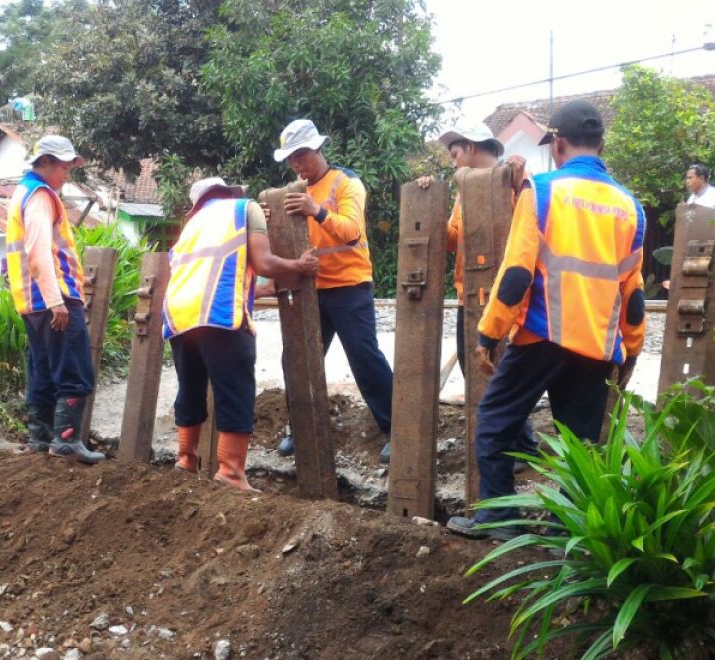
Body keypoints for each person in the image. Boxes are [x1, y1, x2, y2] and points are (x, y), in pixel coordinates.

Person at [447, 99, 647, 539]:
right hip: (596, 344)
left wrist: (489, 332)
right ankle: (567, 534)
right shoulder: (631, 207)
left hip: (543, 334)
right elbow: (633, 294)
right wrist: (631, 347)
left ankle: (500, 521)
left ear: (558, 144)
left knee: (495, 422)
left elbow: (517, 272)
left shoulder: (543, 191)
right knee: (578, 445)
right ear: (601, 144)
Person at [164, 177, 318, 491]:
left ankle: (185, 461)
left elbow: (224, 272)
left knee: (190, 388)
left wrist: (263, 289)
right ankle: (231, 473)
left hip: (180, 316)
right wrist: (298, 266)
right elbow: (263, 262)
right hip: (219, 315)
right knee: (235, 389)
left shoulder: (191, 225)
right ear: (228, 193)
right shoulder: (244, 209)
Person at [272, 119, 394, 463]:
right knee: (297, 359)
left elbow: (352, 231)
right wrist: (269, 216)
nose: (297, 164)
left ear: (317, 149)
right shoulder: (293, 191)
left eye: (301, 156)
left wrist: (318, 210)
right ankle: (301, 427)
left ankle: (396, 428)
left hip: (349, 285)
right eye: (291, 159)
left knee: (364, 357)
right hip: (310, 287)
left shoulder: (346, 183)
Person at [417, 125, 539, 461]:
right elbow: (452, 240)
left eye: (455, 155)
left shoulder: (516, 178)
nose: (454, 163)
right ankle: (520, 442)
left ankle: (520, 446)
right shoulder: (461, 191)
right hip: (468, 294)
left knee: (503, 370)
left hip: (507, 297)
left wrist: (516, 180)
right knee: (478, 368)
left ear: (470, 147)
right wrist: (428, 204)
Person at [5, 134, 104, 463]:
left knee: (44, 369)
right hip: (51, 300)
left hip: (31, 302)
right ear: (44, 162)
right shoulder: (41, 196)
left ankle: (40, 438)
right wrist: (56, 300)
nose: (66, 174)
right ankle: (65, 441)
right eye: (63, 167)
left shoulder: (22, 192)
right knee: (75, 370)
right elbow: (37, 250)